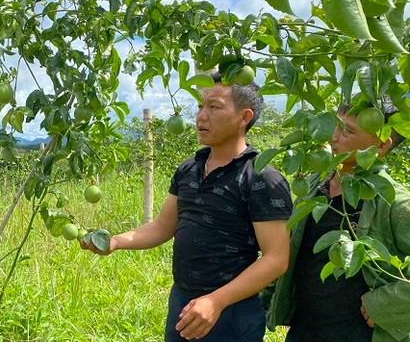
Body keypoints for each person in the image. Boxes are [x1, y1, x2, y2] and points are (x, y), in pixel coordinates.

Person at [81, 70, 292, 342]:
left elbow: (276, 259)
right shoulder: (189, 169)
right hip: (183, 301)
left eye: (214, 107)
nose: (201, 115)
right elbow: (162, 227)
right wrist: (115, 242)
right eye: (201, 106)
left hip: (231, 310)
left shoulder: (261, 176)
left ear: (244, 117)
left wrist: (216, 301)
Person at [266, 97, 410, 342]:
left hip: (360, 334)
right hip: (306, 329)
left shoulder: (394, 203)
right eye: (337, 125)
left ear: (381, 146)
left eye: (348, 131)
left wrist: (386, 305)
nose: (334, 136)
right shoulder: (313, 184)